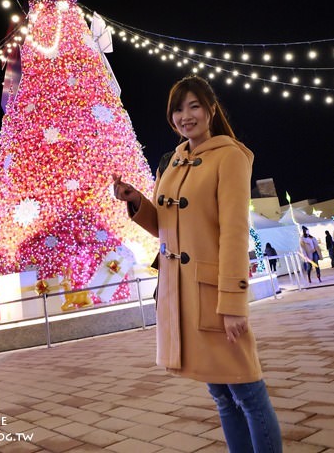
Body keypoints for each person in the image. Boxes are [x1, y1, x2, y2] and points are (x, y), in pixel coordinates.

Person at [112, 75, 282, 453]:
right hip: (182, 296)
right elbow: (166, 229)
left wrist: (234, 304)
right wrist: (137, 200)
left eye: (194, 107)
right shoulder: (171, 162)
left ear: (210, 110)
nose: (186, 116)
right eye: (178, 109)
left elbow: (235, 232)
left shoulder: (231, 156)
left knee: (249, 391)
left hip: (215, 297)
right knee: (221, 396)